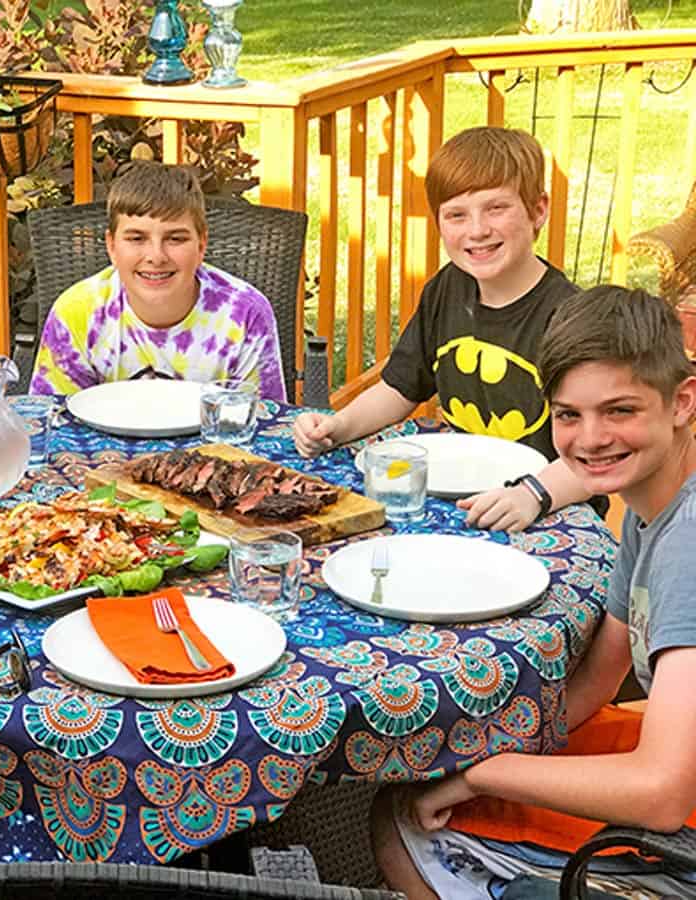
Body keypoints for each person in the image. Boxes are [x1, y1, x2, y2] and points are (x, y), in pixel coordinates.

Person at [371, 286, 696, 899]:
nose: (591, 439)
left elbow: (662, 793)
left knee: (400, 822)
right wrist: (480, 759)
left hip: (680, 818)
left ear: (682, 401)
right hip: (673, 758)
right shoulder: (652, 506)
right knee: (425, 789)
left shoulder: (687, 547)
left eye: (620, 411)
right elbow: (600, 677)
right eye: (570, 415)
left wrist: (482, 776)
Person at [292, 127, 592, 532]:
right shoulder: (446, 289)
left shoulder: (573, 319)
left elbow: (599, 452)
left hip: (550, 505)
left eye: (496, 208)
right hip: (460, 495)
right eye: (457, 215)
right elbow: (401, 387)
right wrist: (338, 425)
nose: (477, 230)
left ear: (538, 211)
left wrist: (534, 494)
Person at [29, 160, 287, 402]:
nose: (156, 256)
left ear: (201, 245)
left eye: (175, 239)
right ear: (111, 246)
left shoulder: (245, 315)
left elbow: (262, 425)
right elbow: (54, 421)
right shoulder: (76, 312)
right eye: (136, 238)